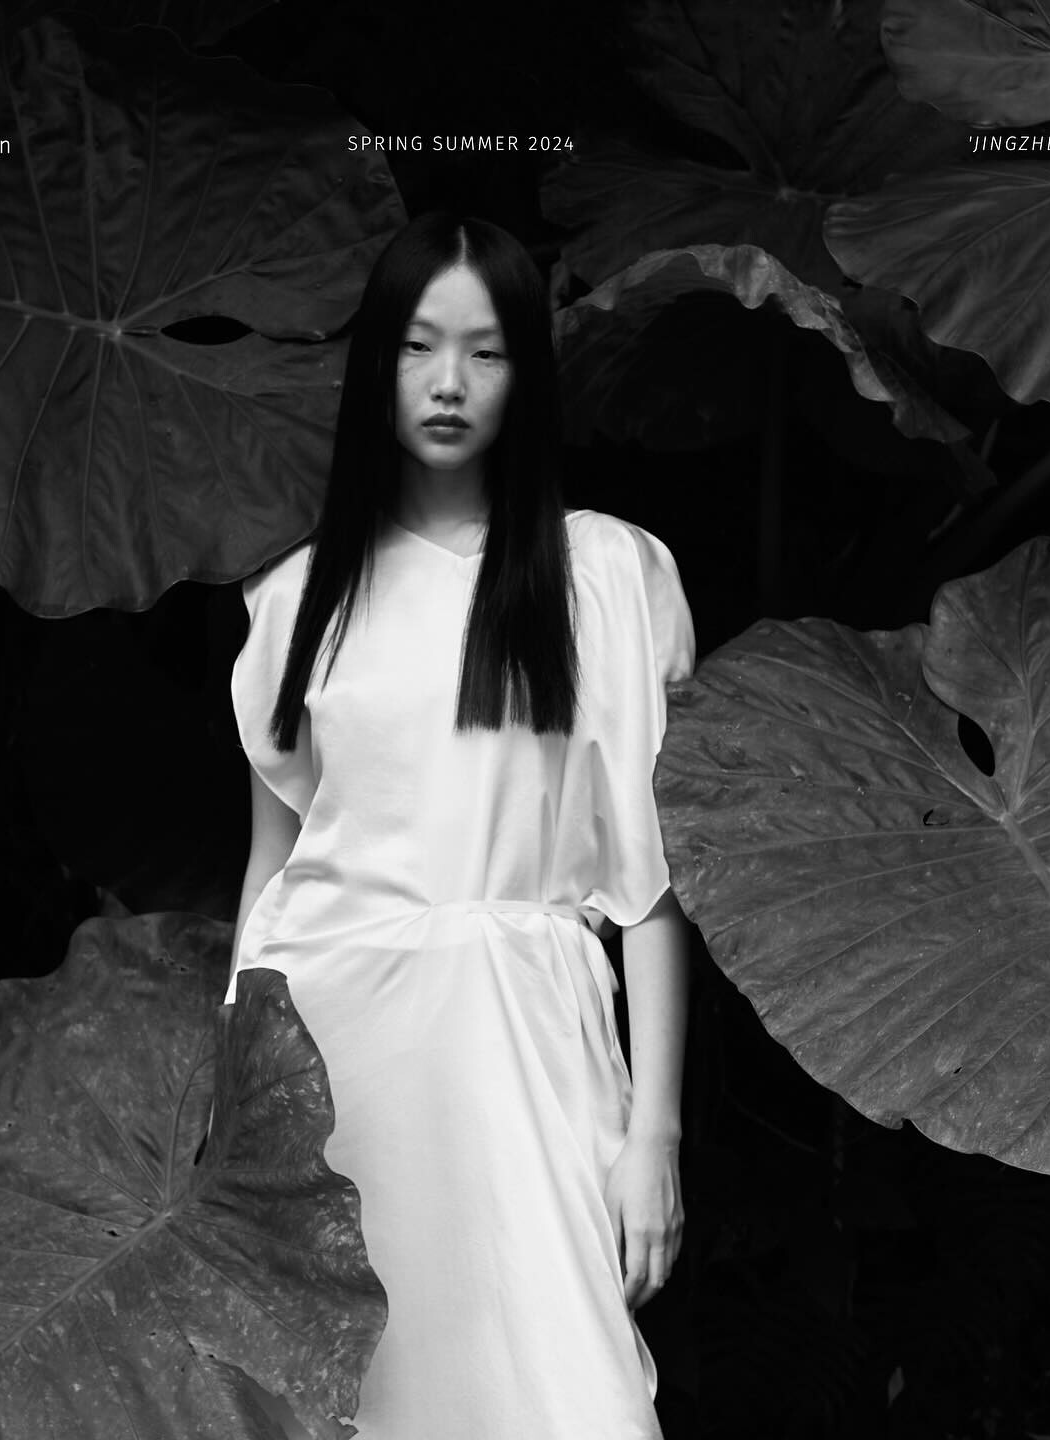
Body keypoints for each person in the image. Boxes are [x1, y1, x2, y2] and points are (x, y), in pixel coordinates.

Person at [224, 210, 693, 1439]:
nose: (447, 383)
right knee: (367, 1400)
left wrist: (654, 1133)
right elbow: (274, 868)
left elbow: (647, 887)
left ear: (526, 375)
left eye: (485, 352)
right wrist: (238, 1096)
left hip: (527, 1041)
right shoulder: (296, 600)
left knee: (570, 1395)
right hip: (332, 1059)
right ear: (374, 362)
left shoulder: (601, 578)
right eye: (418, 346)